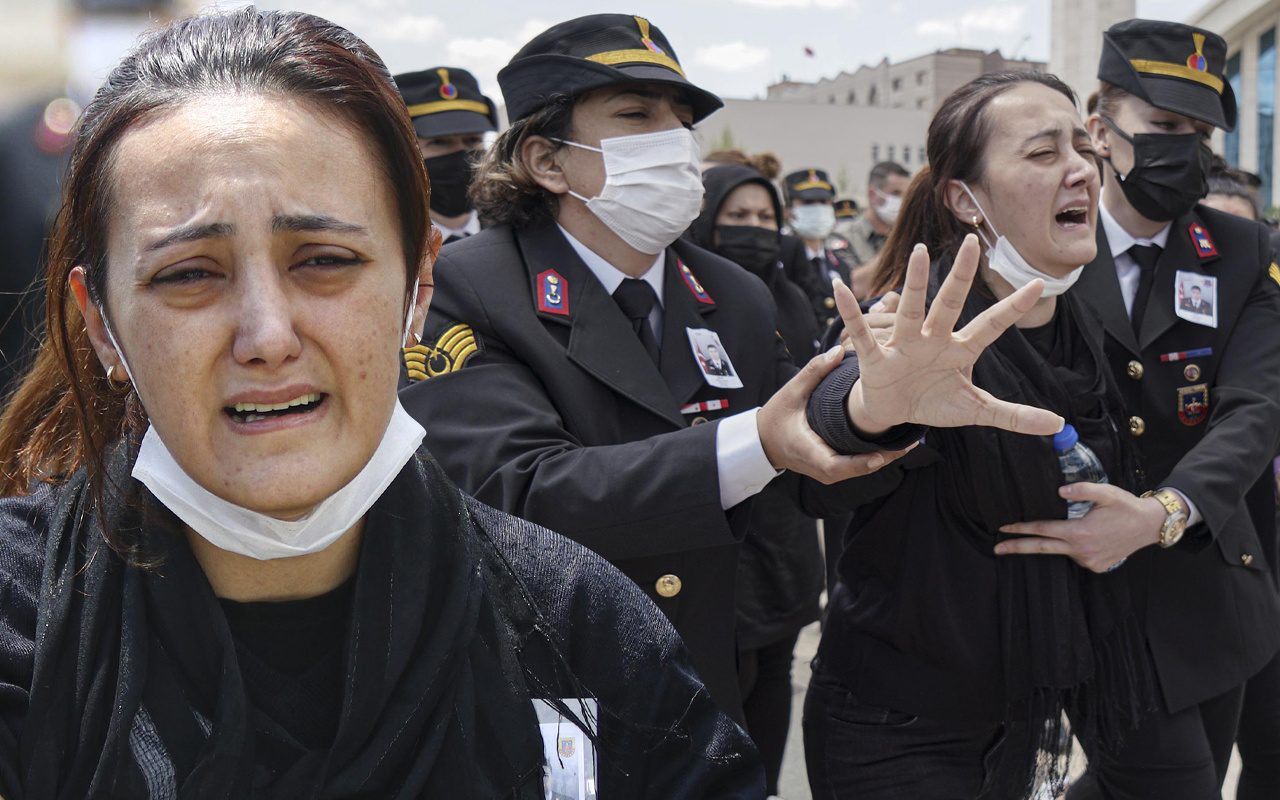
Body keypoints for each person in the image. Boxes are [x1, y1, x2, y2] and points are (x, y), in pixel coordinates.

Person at [0, 9, 769, 796]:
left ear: (417, 287)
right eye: (190, 274)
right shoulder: (18, 619)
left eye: (325, 260)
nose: (266, 336)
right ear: (100, 324)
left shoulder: (582, 625)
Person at [398, 11, 1064, 730]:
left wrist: (877, 403)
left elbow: (809, 459)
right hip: (541, 695)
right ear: (546, 160)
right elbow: (516, 497)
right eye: (635, 114)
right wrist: (759, 444)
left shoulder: (732, 293)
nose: (674, 141)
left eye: (680, 121)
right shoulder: (463, 287)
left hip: (701, 683)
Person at [803, 70, 1166, 799]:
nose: (1079, 169)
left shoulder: (1082, 327)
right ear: (965, 200)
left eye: (1081, 146)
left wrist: (1151, 517)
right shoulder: (911, 326)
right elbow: (832, 432)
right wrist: (879, 407)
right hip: (894, 729)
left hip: (1015, 720)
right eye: (1040, 153)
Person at [1008, 19, 1280, 800]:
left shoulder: (1239, 250)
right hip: (1080, 589)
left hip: (1203, 585)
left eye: (1199, 131)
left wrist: (1164, 509)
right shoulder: (1035, 238)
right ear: (1100, 129)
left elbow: (1255, 409)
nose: (1183, 148)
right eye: (1162, 126)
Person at [685, 162, 822, 793]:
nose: (755, 230)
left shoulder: (788, 295)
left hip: (783, 551)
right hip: (712, 552)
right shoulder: (685, 302)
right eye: (737, 217)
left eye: (766, 218)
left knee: (768, 727)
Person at [0, 0, 176, 397]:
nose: (113, 33)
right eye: (101, 17)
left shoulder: (203, 134)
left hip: (160, 390)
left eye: (132, 16)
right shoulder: (16, 144)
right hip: (41, 397)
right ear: (72, 24)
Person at [393, 66, 498, 244]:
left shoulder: (519, 232)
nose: (461, 154)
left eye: (472, 140)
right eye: (440, 142)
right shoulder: (387, 243)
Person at [842, 161, 910, 296]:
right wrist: (897, 243)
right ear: (873, 194)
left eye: (906, 195)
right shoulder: (844, 237)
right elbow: (854, 287)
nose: (902, 201)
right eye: (896, 193)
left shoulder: (906, 235)